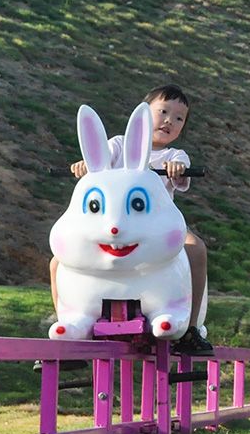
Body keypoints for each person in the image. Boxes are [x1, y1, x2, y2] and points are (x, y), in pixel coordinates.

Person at [50, 84, 212, 356]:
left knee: (195, 248)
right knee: (57, 262)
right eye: (163, 112)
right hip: (110, 224)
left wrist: (178, 171)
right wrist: (84, 166)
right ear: (144, 114)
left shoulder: (174, 157)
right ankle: (68, 322)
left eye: (179, 118)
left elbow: (182, 175)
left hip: (154, 229)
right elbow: (97, 162)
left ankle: (191, 327)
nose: (169, 121)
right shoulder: (119, 145)